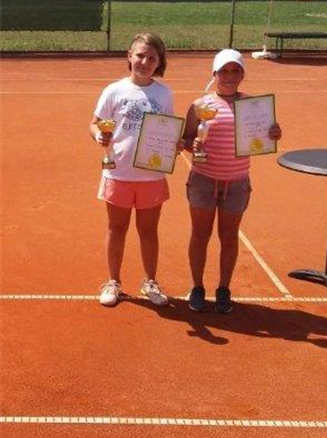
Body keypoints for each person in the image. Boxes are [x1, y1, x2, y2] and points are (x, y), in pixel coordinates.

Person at [183, 49, 282, 314]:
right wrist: (192, 144)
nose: (229, 76)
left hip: (236, 183)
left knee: (228, 236)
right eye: (224, 71)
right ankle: (197, 287)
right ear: (214, 74)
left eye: (235, 70)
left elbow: (266, 135)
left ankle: (223, 288)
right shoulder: (199, 106)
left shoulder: (253, 107)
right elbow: (186, 139)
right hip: (203, 181)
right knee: (200, 234)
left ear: (242, 75)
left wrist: (274, 132)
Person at [89, 32, 174, 307]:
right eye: (140, 55)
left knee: (149, 231)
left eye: (152, 58)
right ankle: (113, 281)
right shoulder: (113, 91)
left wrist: (174, 144)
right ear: (129, 56)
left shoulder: (164, 93)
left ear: (159, 62)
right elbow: (94, 123)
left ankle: (150, 281)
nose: (145, 62)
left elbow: (167, 129)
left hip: (152, 175)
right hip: (119, 172)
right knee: (117, 228)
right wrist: (99, 135)